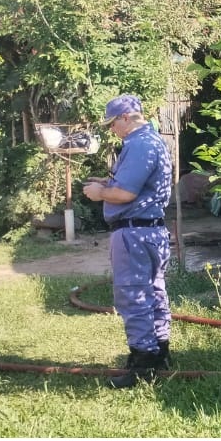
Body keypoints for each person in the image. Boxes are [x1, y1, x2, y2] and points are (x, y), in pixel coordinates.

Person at [82, 94, 173, 387]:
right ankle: (160, 351)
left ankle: (143, 365)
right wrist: (108, 183)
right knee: (155, 291)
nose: (111, 130)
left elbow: (125, 195)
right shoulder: (154, 141)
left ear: (125, 118)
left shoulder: (138, 145)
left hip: (134, 232)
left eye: (112, 123)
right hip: (152, 230)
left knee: (134, 296)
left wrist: (100, 193)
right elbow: (137, 186)